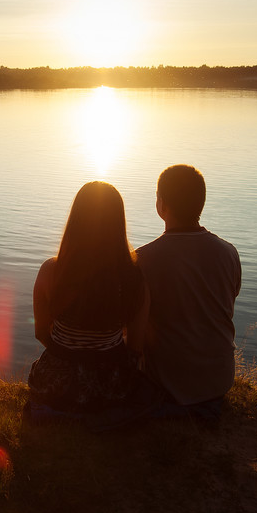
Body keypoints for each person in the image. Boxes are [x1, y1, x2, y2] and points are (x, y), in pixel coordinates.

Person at [27, 181, 153, 424]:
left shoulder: (51, 271)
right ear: (118, 223)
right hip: (110, 388)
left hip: (54, 385)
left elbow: (41, 332)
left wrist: (70, 352)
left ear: (76, 220)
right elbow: (136, 347)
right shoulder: (133, 277)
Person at [136, 164, 242, 421]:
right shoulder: (229, 252)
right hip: (218, 380)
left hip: (168, 384)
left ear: (161, 205)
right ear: (201, 203)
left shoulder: (142, 259)